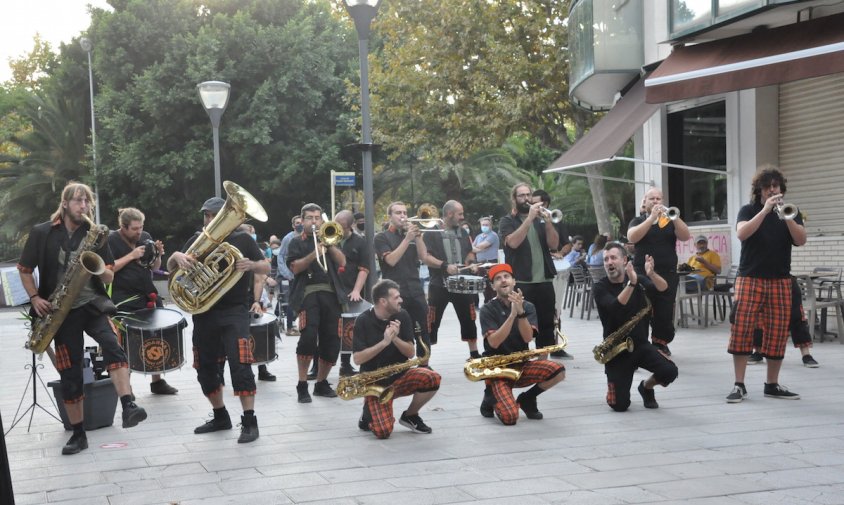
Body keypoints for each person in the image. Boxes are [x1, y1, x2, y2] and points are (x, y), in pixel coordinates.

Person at [19, 182, 147, 455]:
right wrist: (34, 298)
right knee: (70, 372)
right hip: (60, 310)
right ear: (65, 203)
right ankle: (78, 434)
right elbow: (24, 269)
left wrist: (100, 270)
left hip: (91, 304)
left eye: (87, 201)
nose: (84, 206)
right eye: (78, 201)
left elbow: (110, 274)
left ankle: (128, 404)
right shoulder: (42, 233)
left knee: (113, 346)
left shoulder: (96, 234)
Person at [167, 196, 268, 443]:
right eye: (207, 215)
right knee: (205, 368)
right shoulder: (195, 240)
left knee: (240, 365)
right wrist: (175, 257)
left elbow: (266, 267)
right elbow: (172, 269)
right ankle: (220, 415)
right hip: (204, 312)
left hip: (234, 311)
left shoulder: (242, 239)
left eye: (214, 215)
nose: (210, 220)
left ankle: (249, 421)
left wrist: (251, 264)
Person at [727, 167, 807, 402]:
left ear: (782, 188)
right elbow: (742, 234)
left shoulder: (792, 212)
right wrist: (764, 210)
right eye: (767, 186)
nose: (773, 190)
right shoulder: (748, 210)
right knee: (741, 329)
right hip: (750, 278)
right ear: (759, 190)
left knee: (778, 331)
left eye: (776, 186)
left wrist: (788, 217)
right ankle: (739, 384)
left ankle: (772, 384)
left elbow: (801, 240)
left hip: (781, 280)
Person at [592, 243, 678, 411]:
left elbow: (663, 289)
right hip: (616, 351)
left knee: (670, 371)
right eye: (606, 259)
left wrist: (651, 274)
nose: (609, 262)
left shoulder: (637, 278)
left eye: (613, 258)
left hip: (640, 345)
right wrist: (631, 284)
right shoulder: (600, 287)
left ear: (624, 260)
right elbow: (615, 308)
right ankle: (616, 387)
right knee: (619, 405)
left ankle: (646, 387)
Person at [478, 264, 565, 424]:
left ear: (514, 281)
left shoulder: (528, 307)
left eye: (506, 277)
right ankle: (490, 395)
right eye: (498, 278)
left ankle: (527, 398)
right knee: (510, 417)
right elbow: (494, 342)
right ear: (492, 286)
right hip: (499, 370)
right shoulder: (487, 310)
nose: (503, 281)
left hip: (521, 365)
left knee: (558, 371)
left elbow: (527, 338)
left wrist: (520, 313)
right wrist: (512, 316)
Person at [354, 279, 441, 438]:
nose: (401, 300)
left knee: (432, 377)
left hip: (400, 376)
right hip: (375, 383)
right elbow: (357, 359)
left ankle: (411, 415)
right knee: (383, 431)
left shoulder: (402, 314)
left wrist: (394, 339)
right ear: (383, 301)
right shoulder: (363, 320)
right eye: (396, 297)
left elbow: (410, 353)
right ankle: (368, 413)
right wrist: (384, 343)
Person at [108, 207, 177, 395]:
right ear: (123, 227)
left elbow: (155, 267)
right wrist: (131, 255)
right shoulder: (111, 240)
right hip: (124, 298)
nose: (139, 232)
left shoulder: (145, 236)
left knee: (156, 336)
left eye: (141, 227)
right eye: (135, 229)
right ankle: (126, 389)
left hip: (148, 294)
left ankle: (157, 380)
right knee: (127, 342)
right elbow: (108, 270)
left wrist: (159, 254)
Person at [287, 204, 347, 403]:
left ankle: (321, 383)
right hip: (307, 293)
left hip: (331, 294)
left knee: (332, 341)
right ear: (302, 221)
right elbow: (295, 268)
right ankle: (302, 384)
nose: (314, 221)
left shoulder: (329, 239)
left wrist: (329, 245)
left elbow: (343, 262)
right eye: (310, 218)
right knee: (309, 337)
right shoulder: (296, 242)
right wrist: (315, 252)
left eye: (317, 218)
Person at [626, 187, 692, 355]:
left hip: (667, 271)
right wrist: (651, 218)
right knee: (641, 308)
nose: (656, 201)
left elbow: (685, 236)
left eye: (658, 199)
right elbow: (632, 237)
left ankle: (660, 342)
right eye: (652, 199)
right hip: (642, 271)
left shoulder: (669, 220)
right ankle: (640, 343)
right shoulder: (638, 220)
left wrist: (675, 217)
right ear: (645, 202)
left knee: (664, 309)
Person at [499, 183, 561, 358]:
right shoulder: (507, 221)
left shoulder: (541, 219)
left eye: (528, 195)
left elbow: (554, 245)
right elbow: (513, 242)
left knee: (547, 325)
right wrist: (528, 219)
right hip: (522, 282)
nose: (526, 198)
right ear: (514, 199)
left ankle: (544, 363)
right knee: (521, 324)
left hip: (544, 281)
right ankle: (521, 361)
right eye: (521, 196)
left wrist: (548, 223)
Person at [422, 200, 480, 358]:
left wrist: (472, 263)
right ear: (449, 214)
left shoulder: (463, 232)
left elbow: (469, 253)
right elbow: (426, 257)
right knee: (432, 320)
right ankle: (425, 359)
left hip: (461, 283)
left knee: (469, 317)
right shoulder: (431, 232)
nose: (462, 217)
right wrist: (444, 266)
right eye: (460, 214)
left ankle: (474, 354)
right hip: (438, 284)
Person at [374, 201, 431, 357]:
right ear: (389, 216)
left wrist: (418, 237)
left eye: (405, 213)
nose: (403, 216)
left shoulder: (411, 235)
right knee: (399, 330)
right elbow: (391, 260)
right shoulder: (381, 237)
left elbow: (423, 257)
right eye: (398, 213)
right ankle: (401, 366)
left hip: (415, 288)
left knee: (424, 330)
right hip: (395, 291)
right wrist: (407, 239)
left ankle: (424, 365)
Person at [745, 276, 819, 367]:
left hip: (786, 280)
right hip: (761, 280)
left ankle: (806, 355)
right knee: (760, 316)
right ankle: (758, 352)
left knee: (796, 315)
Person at [334, 209, 372, 376]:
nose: (338, 229)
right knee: (327, 327)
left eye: (341, 226)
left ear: (350, 226)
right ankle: (317, 364)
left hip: (350, 290)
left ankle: (345, 364)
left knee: (348, 328)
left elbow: (364, 269)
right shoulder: (329, 239)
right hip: (332, 289)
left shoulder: (360, 242)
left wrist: (357, 290)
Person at [241, 223, 277, 381]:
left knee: (259, 332)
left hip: (250, 298)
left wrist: (256, 301)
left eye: (252, 233)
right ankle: (223, 372)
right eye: (250, 233)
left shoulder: (257, 253)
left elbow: (258, 279)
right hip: (232, 299)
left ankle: (262, 368)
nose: (253, 236)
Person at [277, 215, 302, 337]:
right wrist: (287, 274)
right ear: (293, 225)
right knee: (291, 301)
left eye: (301, 222)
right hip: (291, 275)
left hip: (302, 274)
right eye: (297, 223)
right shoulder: (288, 238)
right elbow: (281, 256)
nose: (300, 224)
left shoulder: (306, 237)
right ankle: (289, 326)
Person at [532, 189, 571, 257]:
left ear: (545, 204)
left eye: (536, 203)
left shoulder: (556, 220)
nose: (533, 206)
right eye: (532, 204)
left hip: (553, 261)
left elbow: (567, 244)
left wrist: (561, 253)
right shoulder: (529, 220)